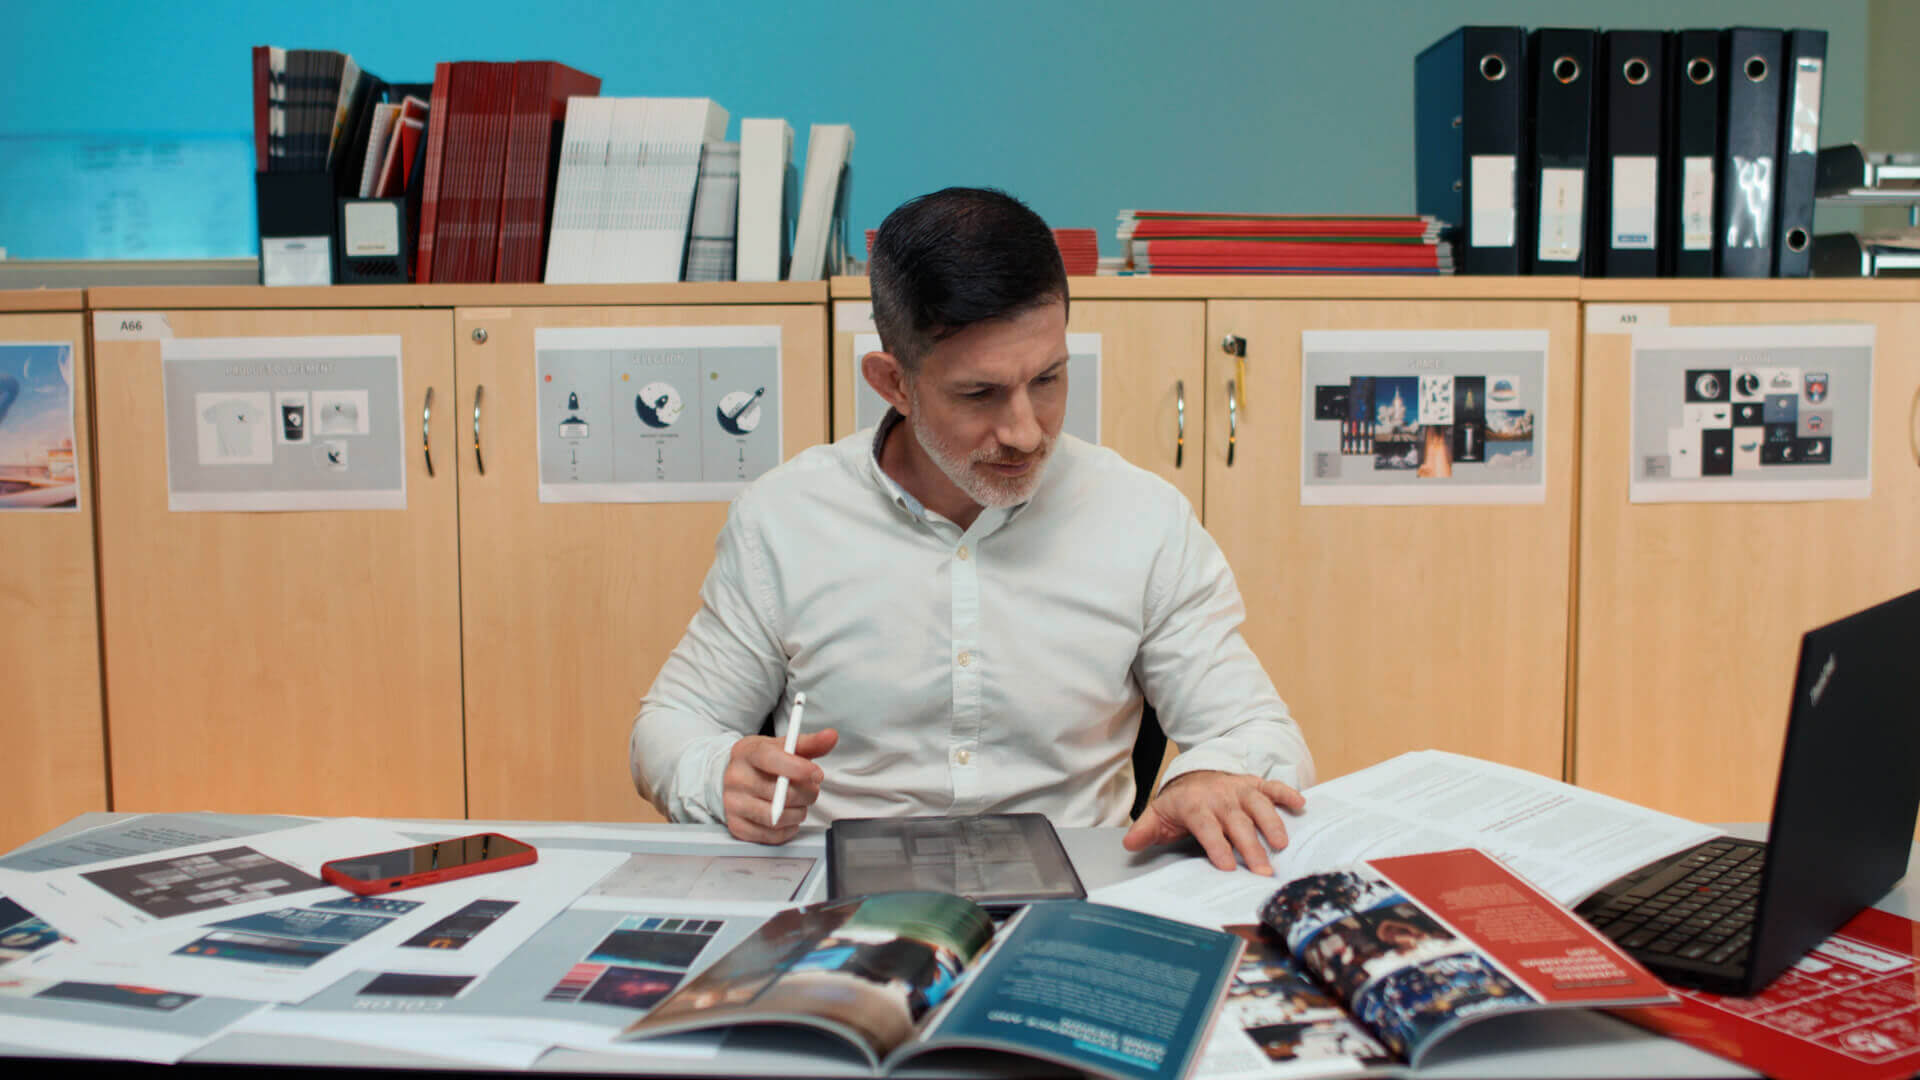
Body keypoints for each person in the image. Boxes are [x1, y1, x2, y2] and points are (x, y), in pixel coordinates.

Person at [630, 187, 1314, 874]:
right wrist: (719, 771)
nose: (1024, 431)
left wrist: (1209, 775)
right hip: (844, 903)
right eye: (978, 394)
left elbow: (1254, 729)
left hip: (1077, 905)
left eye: (1047, 379)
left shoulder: (1143, 519)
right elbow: (668, 729)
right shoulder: (784, 519)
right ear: (893, 383)